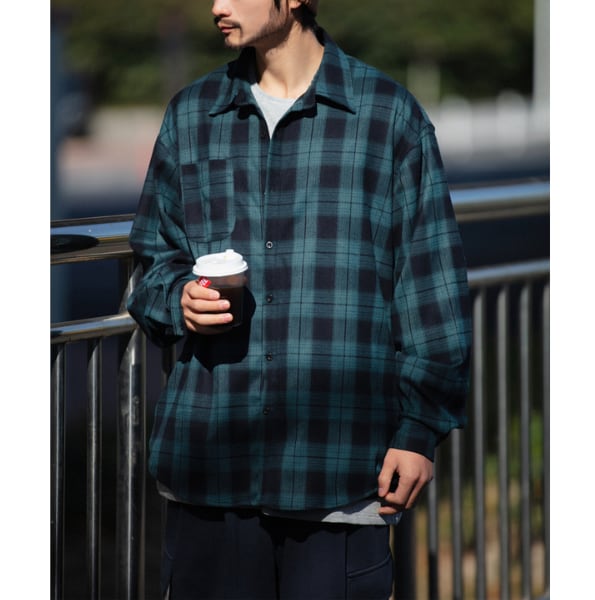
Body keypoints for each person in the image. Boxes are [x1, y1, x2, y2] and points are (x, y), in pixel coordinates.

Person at [127, 0, 472, 598]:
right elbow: (153, 260)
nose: (217, 6)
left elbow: (429, 284)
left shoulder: (388, 116)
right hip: (212, 471)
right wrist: (177, 299)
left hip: (341, 473)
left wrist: (419, 430)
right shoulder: (191, 114)